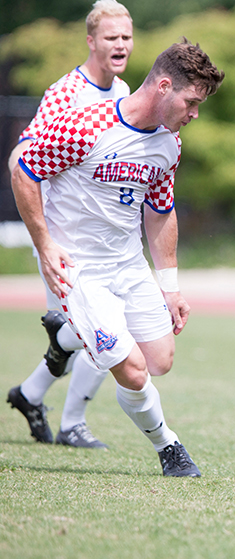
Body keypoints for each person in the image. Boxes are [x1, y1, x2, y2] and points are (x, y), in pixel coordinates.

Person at [11, 38, 225, 476]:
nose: (194, 114)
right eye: (191, 102)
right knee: (131, 370)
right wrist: (46, 243)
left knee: (159, 360)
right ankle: (170, 447)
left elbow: (161, 212)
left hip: (128, 266)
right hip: (80, 270)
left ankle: (67, 336)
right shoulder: (86, 126)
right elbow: (23, 171)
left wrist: (170, 289)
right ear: (163, 86)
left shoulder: (170, 143)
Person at [6, 0, 134, 449]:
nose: (120, 45)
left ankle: (35, 396)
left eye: (126, 37)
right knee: (96, 331)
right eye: (111, 37)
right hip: (66, 241)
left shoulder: (124, 94)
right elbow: (22, 158)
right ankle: (60, 412)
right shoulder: (65, 93)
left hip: (107, 242)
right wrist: (42, 238)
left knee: (101, 330)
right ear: (91, 41)